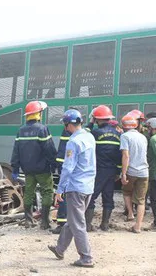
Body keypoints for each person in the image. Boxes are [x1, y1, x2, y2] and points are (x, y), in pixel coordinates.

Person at [48, 109, 96, 268]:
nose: (65, 128)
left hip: (75, 187)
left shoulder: (73, 142)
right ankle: (60, 249)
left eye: (65, 125)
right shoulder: (89, 137)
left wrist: (60, 189)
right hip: (88, 186)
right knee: (73, 220)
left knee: (78, 224)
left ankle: (86, 257)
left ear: (69, 124)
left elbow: (67, 167)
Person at [11, 100, 57, 229]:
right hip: (43, 170)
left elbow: (16, 151)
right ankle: (45, 222)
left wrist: (15, 168)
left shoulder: (21, 131)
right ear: (38, 114)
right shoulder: (42, 129)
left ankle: (28, 221)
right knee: (47, 192)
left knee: (29, 193)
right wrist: (54, 164)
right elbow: (49, 149)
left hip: (28, 170)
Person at [85, 105, 121, 232]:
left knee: (91, 197)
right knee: (108, 197)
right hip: (112, 171)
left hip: (98, 170)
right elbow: (119, 154)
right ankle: (105, 224)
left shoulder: (95, 133)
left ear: (97, 119)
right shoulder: (118, 134)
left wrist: (90, 122)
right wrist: (119, 171)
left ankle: (88, 225)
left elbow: (83, 134)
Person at [120, 114, 149, 233]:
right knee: (141, 200)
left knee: (127, 191)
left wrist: (124, 173)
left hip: (131, 171)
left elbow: (125, 155)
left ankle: (130, 213)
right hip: (144, 172)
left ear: (124, 125)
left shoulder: (125, 136)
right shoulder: (143, 137)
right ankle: (137, 226)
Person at [52, 128, 71, 234]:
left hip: (65, 167)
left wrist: (56, 165)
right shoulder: (83, 134)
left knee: (63, 195)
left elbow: (62, 152)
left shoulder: (66, 131)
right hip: (76, 171)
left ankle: (62, 224)